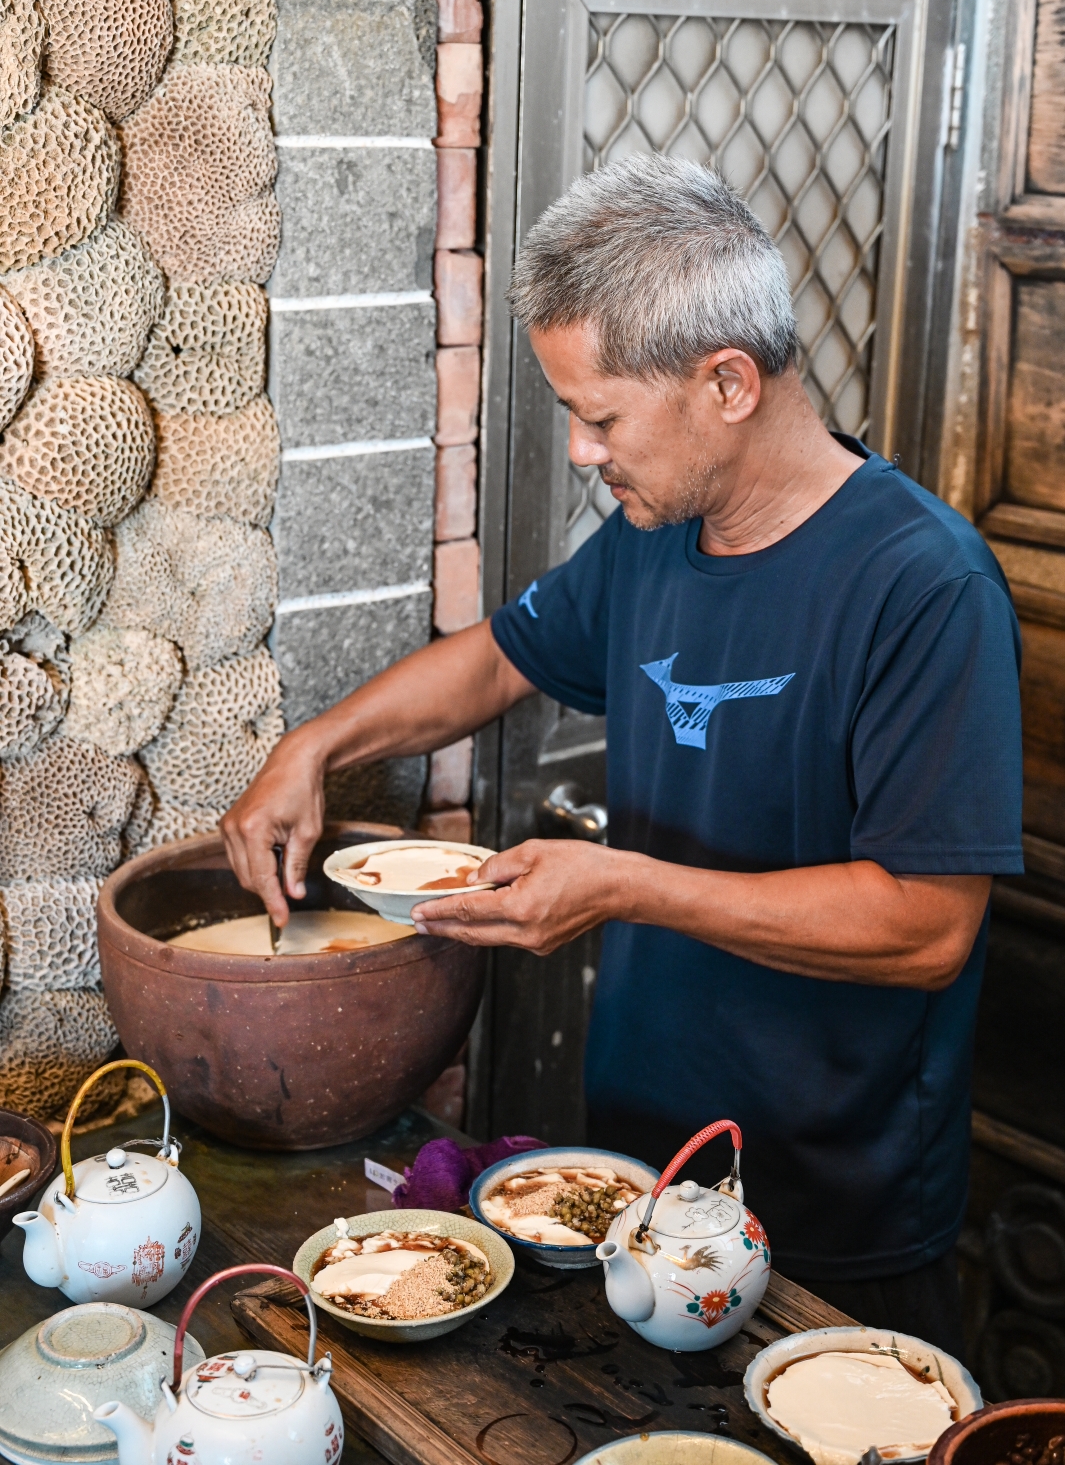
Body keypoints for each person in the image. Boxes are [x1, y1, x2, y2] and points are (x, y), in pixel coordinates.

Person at [222, 156, 1022, 1355]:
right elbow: (499, 658)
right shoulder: (656, 535)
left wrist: (624, 886)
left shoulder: (923, 584)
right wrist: (315, 747)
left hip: (827, 1208)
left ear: (730, 382)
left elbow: (925, 927)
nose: (585, 453)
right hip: (630, 1167)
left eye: (601, 417)